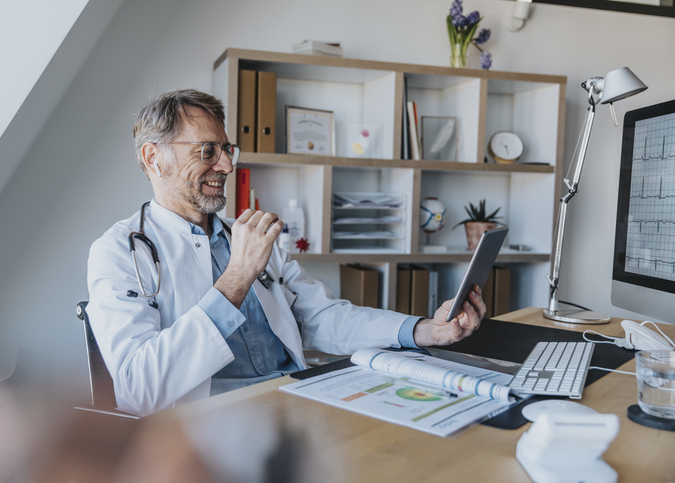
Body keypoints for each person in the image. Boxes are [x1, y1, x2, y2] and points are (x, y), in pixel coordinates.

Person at [86, 89, 486, 417]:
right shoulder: (119, 253)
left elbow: (324, 318)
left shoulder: (245, 236)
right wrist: (236, 278)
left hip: (296, 401)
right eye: (207, 151)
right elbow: (137, 391)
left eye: (227, 149)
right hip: (210, 425)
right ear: (153, 157)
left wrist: (423, 330)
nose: (226, 165)